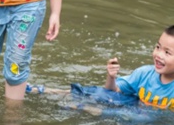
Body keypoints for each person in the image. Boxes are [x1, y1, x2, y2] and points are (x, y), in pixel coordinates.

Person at [26, 25, 174, 121]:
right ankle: (48, 91)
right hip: (134, 105)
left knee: (144, 117)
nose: (159, 55)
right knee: (100, 93)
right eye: (158, 47)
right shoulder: (145, 73)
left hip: (149, 116)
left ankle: (94, 109)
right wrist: (111, 77)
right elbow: (112, 90)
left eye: (167, 52)